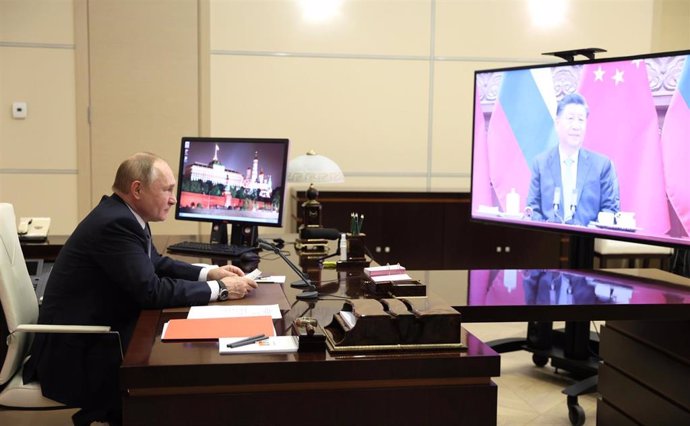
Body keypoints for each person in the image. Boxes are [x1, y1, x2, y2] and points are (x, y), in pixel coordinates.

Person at [22, 152, 258, 425]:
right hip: (75, 354)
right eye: (167, 190)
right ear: (137, 189)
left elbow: (155, 263)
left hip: (95, 335)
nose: (172, 198)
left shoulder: (125, 216)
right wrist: (222, 289)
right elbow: (151, 291)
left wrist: (209, 273)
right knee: (175, 373)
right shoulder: (116, 223)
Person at [526, 92, 620, 225]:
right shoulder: (540, 163)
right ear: (557, 123)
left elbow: (610, 210)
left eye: (581, 120)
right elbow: (533, 209)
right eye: (570, 118)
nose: (576, 126)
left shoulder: (601, 165)